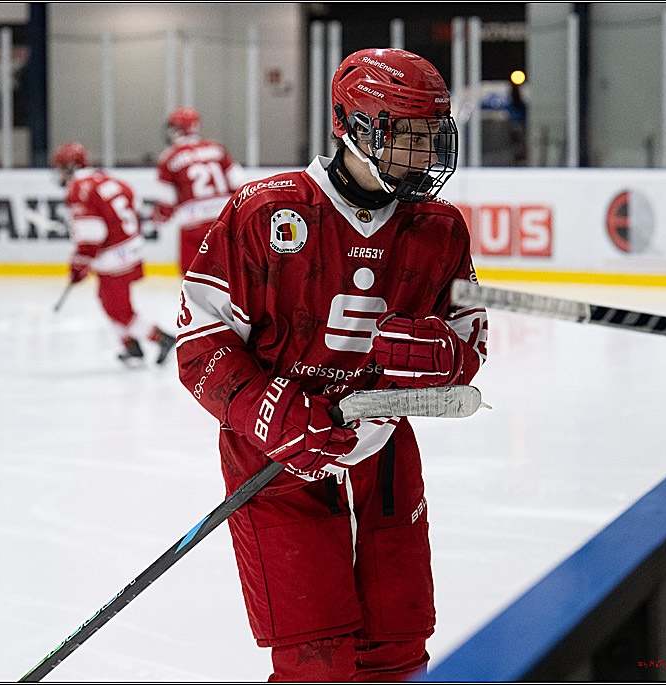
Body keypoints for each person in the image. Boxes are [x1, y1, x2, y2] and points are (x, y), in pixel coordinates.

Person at [175, 48, 489, 681]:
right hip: (276, 456)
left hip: (385, 452)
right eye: (407, 136)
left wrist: (443, 358)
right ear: (353, 126)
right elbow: (201, 343)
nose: (426, 155)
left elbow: (469, 343)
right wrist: (275, 417)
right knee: (315, 659)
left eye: (434, 136)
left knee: (398, 648)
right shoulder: (263, 211)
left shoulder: (441, 228)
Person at [51, 142, 177, 366]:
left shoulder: (79, 189)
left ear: (70, 167)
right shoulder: (108, 179)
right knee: (108, 302)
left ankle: (162, 338)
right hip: (132, 247)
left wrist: (79, 265)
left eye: (61, 168)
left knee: (119, 310)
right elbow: (133, 206)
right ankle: (131, 346)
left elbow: (92, 235)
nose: (58, 174)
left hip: (113, 256)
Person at [151, 107, 247, 274]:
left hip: (192, 224)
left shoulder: (169, 157)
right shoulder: (217, 148)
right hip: (223, 220)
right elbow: (239, 184)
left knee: (193, 279)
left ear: (176, 129)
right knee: (228, 275)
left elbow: (167, 203)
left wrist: (158, 218)